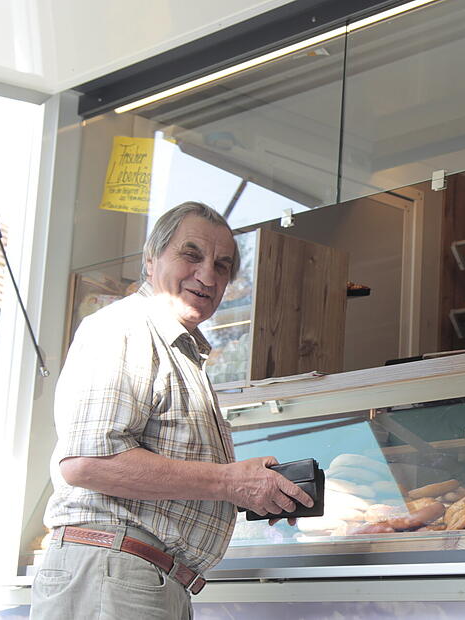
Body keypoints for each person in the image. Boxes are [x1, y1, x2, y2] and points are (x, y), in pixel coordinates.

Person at [32, 202, 313, 618]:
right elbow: (88, 462)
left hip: (140, 576)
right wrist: (229, 482)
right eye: (191, 255)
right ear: (151, 259)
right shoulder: (125, 327)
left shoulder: (181, 350)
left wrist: (254, 490)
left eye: (222, 266)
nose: (208, 276)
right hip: (113, 572)